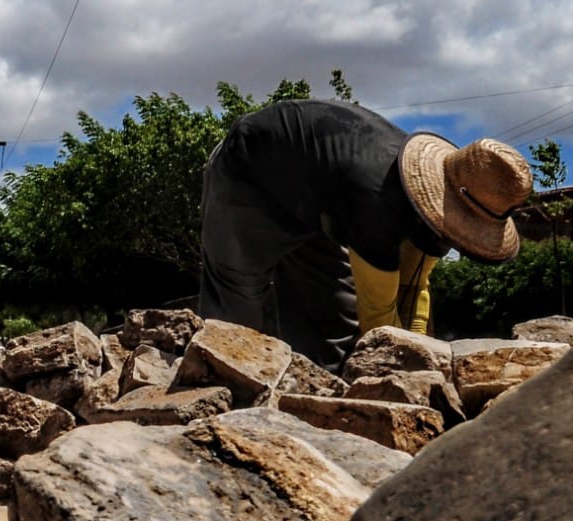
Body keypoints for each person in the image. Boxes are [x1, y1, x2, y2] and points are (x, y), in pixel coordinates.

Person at [198, 99, 531, 371]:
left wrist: (424, 356)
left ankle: (318, 410)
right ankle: (216, 404)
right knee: (237, 312)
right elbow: (379, 319)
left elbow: (414, 287)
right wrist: (405, 375)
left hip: (316, 203)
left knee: (335, 330)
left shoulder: (437, 215)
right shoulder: (378, 201)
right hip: (251, 173)